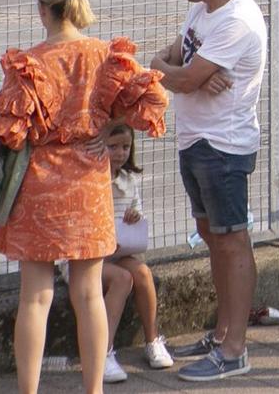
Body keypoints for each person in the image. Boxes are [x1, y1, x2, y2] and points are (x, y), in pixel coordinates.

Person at [0, 0, 168, 394]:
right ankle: (93, 389)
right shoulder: (103, 55)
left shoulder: (30, 62)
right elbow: (153, 99)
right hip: (88, 183)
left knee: (34, 297)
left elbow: (10, 131)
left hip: (38, 185)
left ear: (43, 9)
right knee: (88, 294)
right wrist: (108, 126)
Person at [149, 0, 268, 383]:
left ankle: (235, 349)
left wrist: (182, 76)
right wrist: (181, 73)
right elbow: (174, 61)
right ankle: (222, 333)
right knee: (211, 236)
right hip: (195, 140)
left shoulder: (238, 19)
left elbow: (180, 76)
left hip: (223, 147)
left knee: (231, 239)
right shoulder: (202, 10)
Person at [99, 124, 172, 381]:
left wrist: (134, 216)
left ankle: (152, 340)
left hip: (119, 251)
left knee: (142, 273)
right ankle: (103, 352)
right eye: (113, 146)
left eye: (125, 147)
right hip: (90, 257)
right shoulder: (91, 180)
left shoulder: (128, 180)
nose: (120, 153)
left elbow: (137, 211)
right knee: (122, 279)